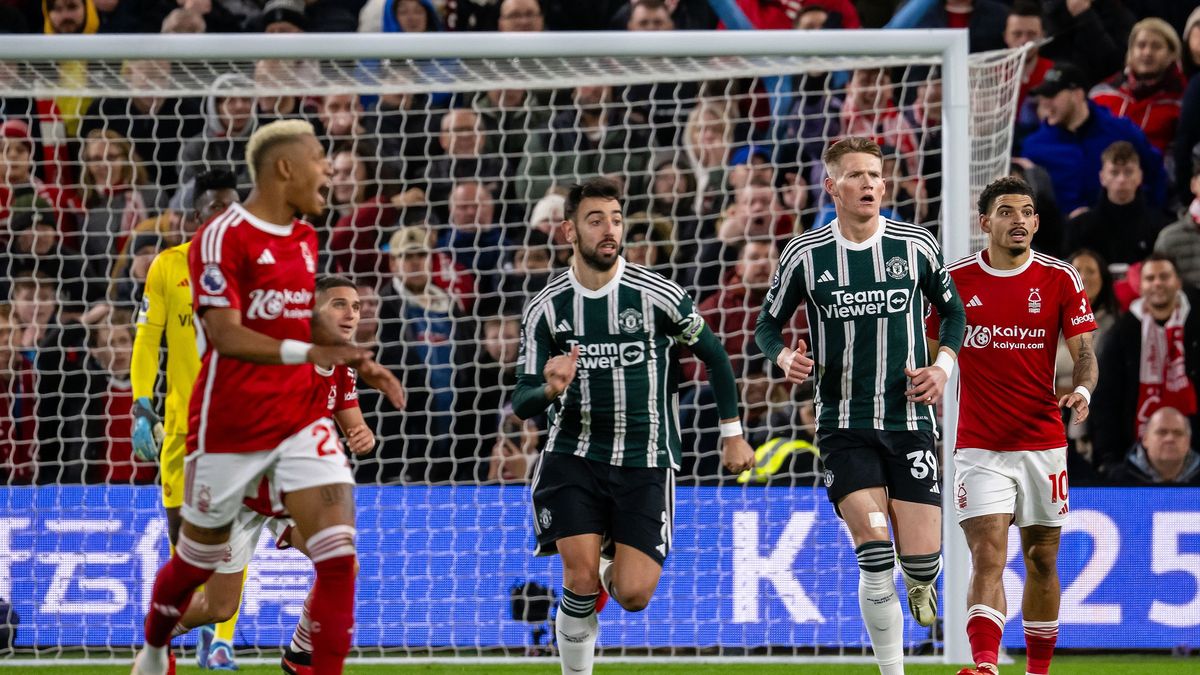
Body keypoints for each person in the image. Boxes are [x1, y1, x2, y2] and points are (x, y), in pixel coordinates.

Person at [131, 119, 403, 675]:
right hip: (230, 429)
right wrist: (307, 355)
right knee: (207, 586)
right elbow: (227, 334)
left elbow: (304, 321)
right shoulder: (216, 240)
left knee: (339, 558)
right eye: (318, 159)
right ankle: (158, 643)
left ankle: (306, 663)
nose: (328, 170)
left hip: (296, 426)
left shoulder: (305, 240)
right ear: (284, 168)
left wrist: (358, 360)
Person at [514, 177, 754, 675]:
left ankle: (608, 564)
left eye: (616, 220)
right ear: (568, 231)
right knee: (578, 580)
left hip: (645, 460)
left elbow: (715, 356)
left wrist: (732, 434)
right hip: (572, 455)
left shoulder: (657, 296)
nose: (609, 230)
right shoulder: (546, 308)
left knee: (634, 594)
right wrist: (549, 390)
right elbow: (521, 400)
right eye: (595, 220)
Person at [755, 136, 966, 675]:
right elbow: (765, 328)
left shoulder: (915, 244)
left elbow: (955, 314)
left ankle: (921, 579)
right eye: (856, 175)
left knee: (920, 561)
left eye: (875, 174)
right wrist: (784, 360)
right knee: (874, 549)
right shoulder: (805, 254)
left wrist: (941, 369)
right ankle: (891, 671)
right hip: (843, 426)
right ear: (831, 187)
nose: (870, 183)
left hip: (909, 421)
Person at [165, 276, 382, 675]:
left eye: (356, 306)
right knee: (219, 606)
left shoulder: (343, 364)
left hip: (288, 492)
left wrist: (361, 434)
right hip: (240, 494)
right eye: (339, 304)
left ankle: (299, 656)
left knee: (342, 564)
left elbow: (351, 422)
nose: (351, 313)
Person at [931, 176, 1098, 675]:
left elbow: (1085, 352)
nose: (1019, 220)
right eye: (1006, 211)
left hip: (1043, 443)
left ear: (1037, 222)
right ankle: (985, 666)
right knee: (988, 556)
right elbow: (921, 347)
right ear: (985, 222)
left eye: (1026, 211)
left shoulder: (1060, 278)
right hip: (978, 447)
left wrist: (1082, 392)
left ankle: (1037, 672)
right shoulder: (955, 281)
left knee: (1042, 560)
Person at [129, 168, 242, 669]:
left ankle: (220, 640)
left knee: (233, 538)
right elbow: (147, 340)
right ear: (195, 215)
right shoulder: (166, 267)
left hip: (241, 431)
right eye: (219, 207)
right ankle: (184, 632)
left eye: (234, 207)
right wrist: (140, 403)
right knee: (186, 546)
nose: (228, 216)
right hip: (180, 432)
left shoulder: (252, 269)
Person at [1090, 253, 1200, 473]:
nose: (1157, 283)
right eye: (1150, 278)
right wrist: (1108, 457)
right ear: (1139, 287)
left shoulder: (1197, 324)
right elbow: (1106, 399)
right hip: (1132, 458)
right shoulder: (1121, 333)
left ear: (1178, 282)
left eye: (1164, 276)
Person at [1020, 62, 1167, 216]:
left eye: (1052, 95)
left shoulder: (1122, 131)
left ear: (1077, 94)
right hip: (1062, 237)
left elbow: (1155, 173)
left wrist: (1149, 218)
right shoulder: (1034, 148)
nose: (1044, 103)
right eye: (1043, 96)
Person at [1063, 140, 1168, 264]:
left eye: (1128, 172)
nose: (1121, 179)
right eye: (1114, 172)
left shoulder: (1161, 227)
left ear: (1140, 176)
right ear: (1102, 177)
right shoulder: (1079, 228)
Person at [1105, 406, 1200, 485]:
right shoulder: (1117, 480)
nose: (1170, 438)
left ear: (1188, 441)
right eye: (1162, 432)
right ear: (1145, 439)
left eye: (1178, 433)